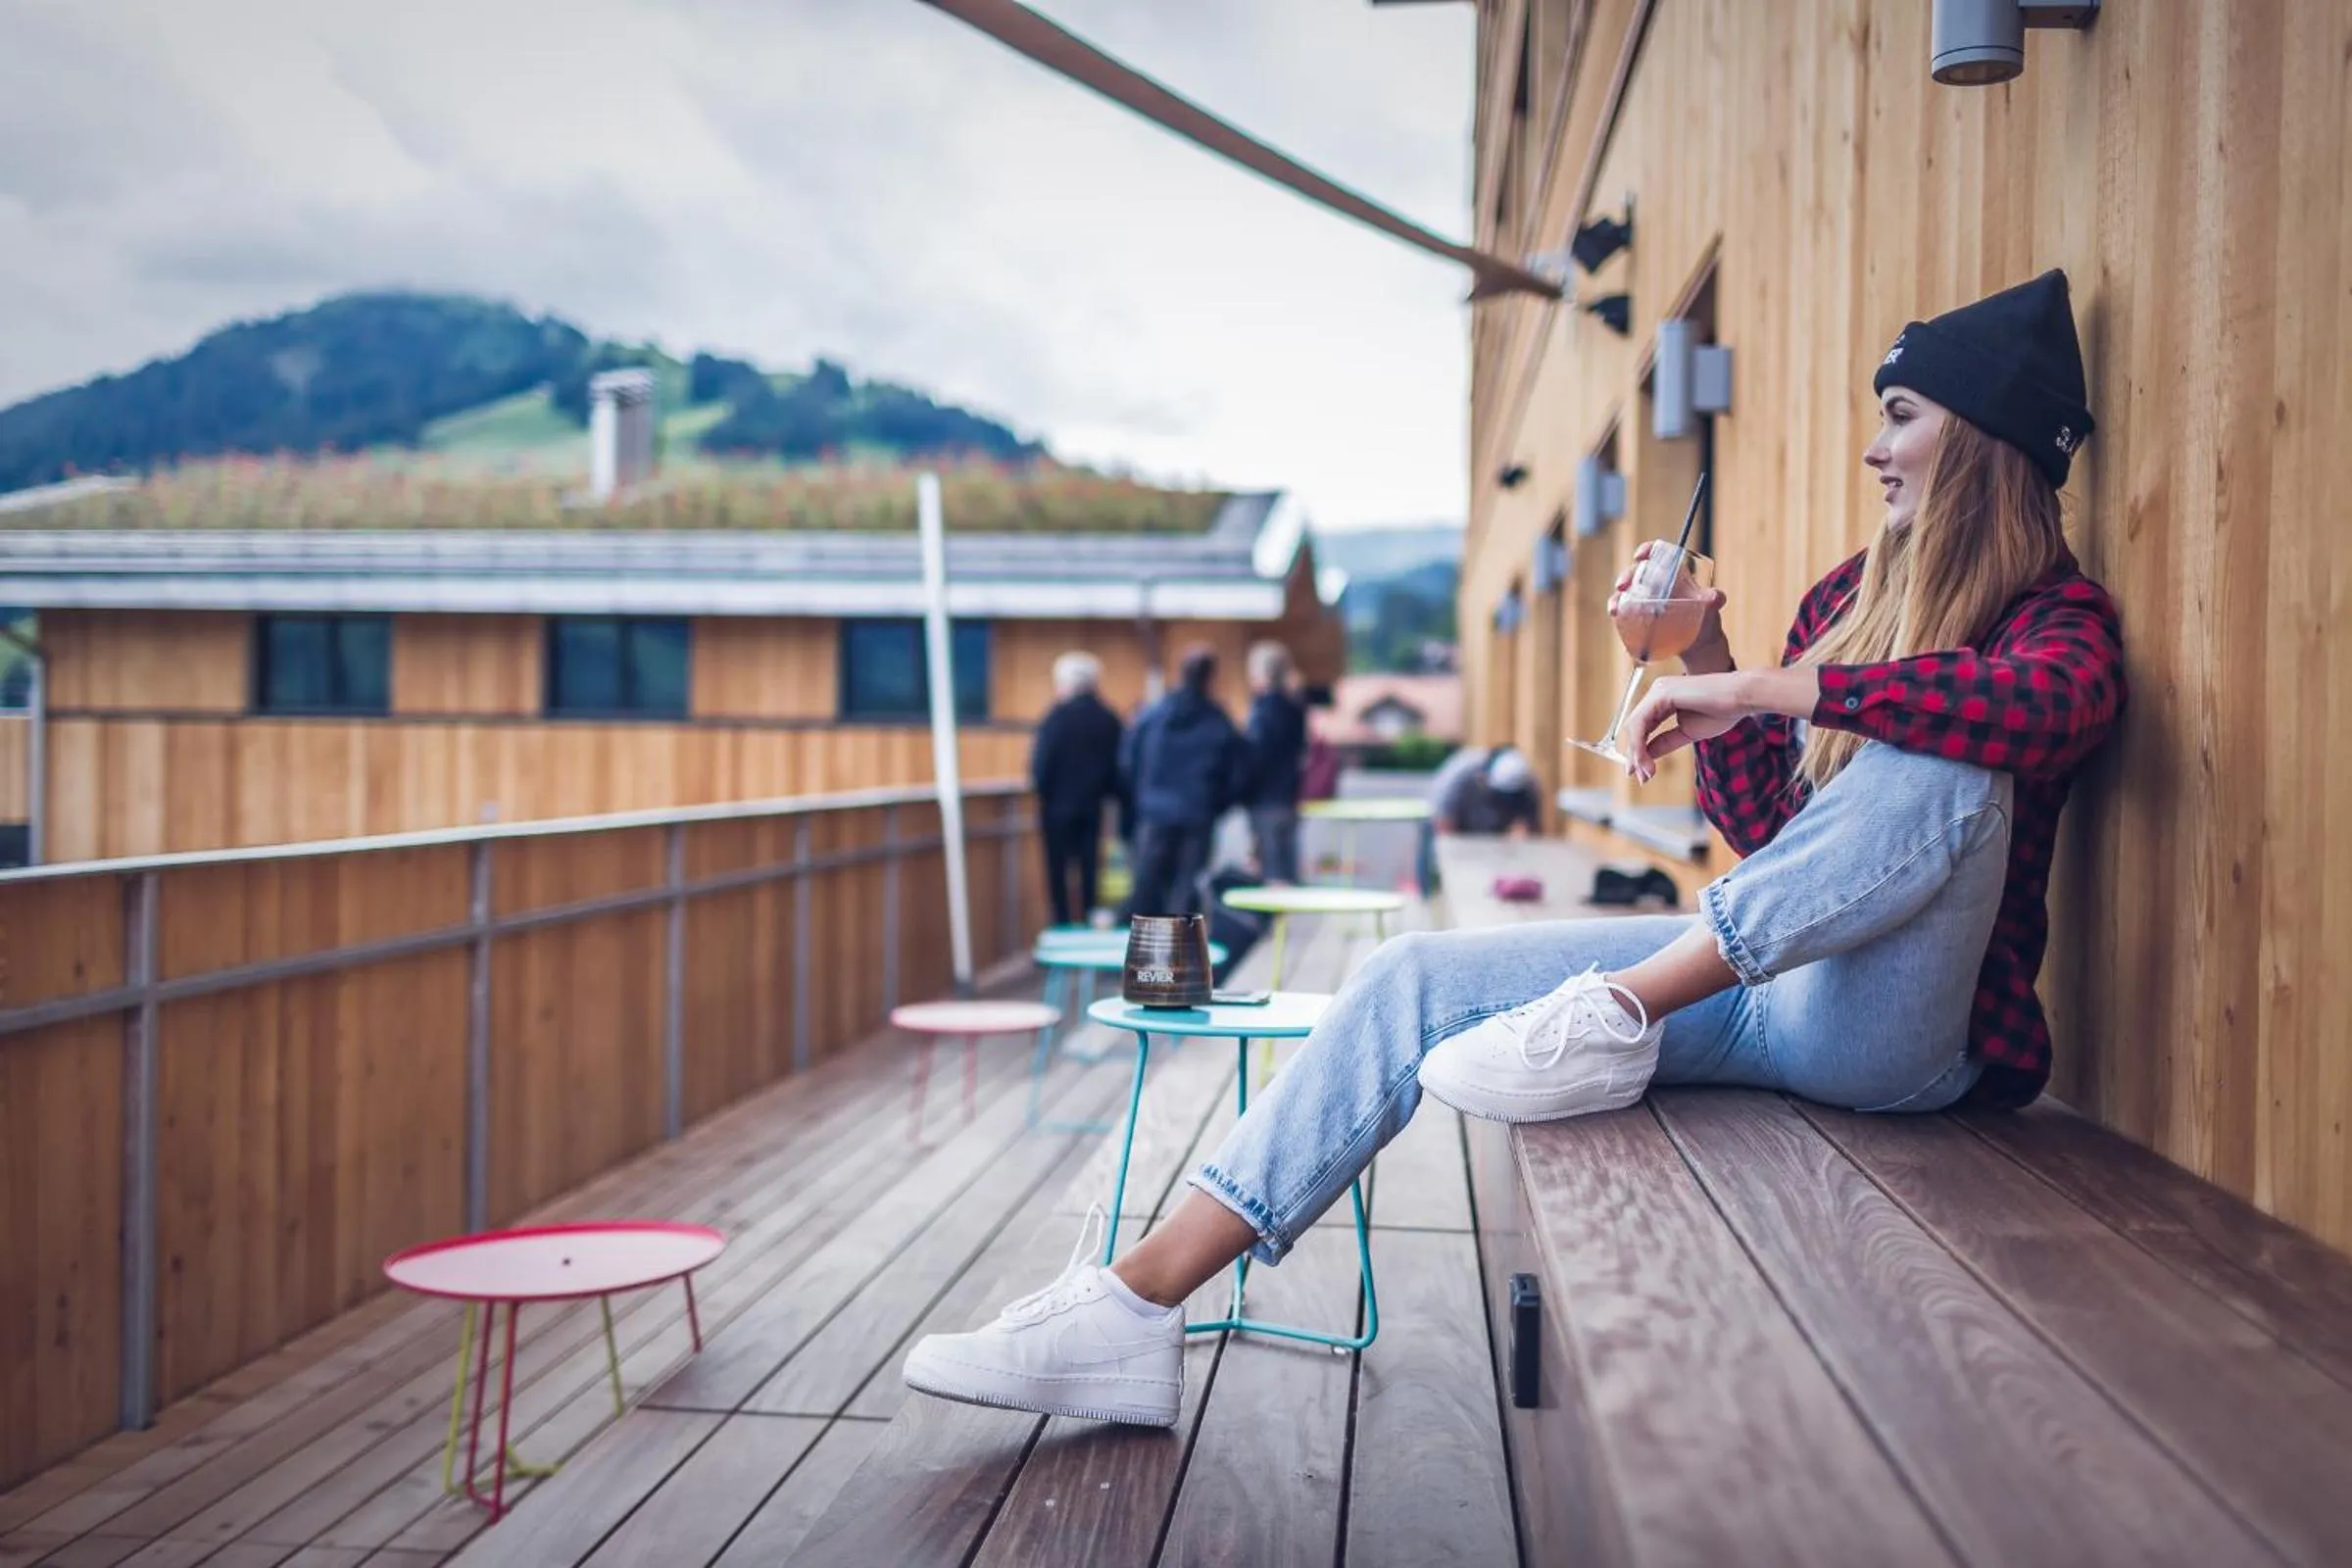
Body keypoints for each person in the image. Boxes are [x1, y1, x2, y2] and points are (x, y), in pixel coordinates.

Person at [904, 270, 2126, 1430]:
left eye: (1901, 415)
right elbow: (1772, 838)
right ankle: (1132, 1304)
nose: (1873, 448)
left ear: (1984, 438)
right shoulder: (1848, 603)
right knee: (1407, 977)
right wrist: (1706, 657)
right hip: (1762, 984)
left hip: (1899, 1038)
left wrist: (1770, 685)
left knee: (1948, 751)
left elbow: (2048, 710)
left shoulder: (2054, 620)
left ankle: (1617, 1008)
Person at [1119, 645, 1249, 919]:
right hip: (1198, 813)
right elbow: (1237, 772)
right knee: (1186, 888)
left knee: (1146, 885)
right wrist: (1217, 805)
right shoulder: (1218, 720)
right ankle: (1181, 945)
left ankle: (1141, 944)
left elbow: (1129, 760)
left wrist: (1143, 797)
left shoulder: (1153, 715)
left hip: (1155, 812)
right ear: (1211, 677)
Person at [1028, 652, 1124, 928]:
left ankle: (1061, 925)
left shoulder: (1054, 718)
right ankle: (1090, 923)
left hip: (1056, 809)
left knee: (1057, 872)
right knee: (1090, 870)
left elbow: (1040, 767)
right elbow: (1120, 768)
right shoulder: (1108, 719)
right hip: (1093, 807)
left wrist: (1044, 792)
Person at [1242, 642, 1308, 883]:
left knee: (1270, 873)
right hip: (1288, 797)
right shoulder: (1295, 708)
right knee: (1285, 869)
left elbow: (1255, 757)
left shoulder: (1262, 711)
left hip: (1265, 800)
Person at [1430, 745, 1544, 838]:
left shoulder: (1527, 784)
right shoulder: (1459, 776)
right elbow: (1444, 824)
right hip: (1457, 826)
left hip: (1493, 833)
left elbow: (1530, 828)